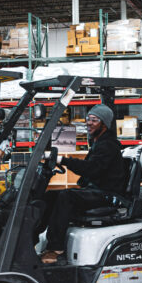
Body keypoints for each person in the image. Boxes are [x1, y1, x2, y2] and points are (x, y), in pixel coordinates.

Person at [41, 104, 127, 263]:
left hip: (108, 194)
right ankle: (37, 239)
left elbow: (92, 169)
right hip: (97, 190)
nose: (89, 123)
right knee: (50, 196)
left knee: (67, 196)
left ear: (104, 124)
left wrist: (63, 160)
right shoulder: (98, 143)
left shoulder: (108, 145)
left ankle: (56, 249)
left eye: (94, 120)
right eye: (88, 119)